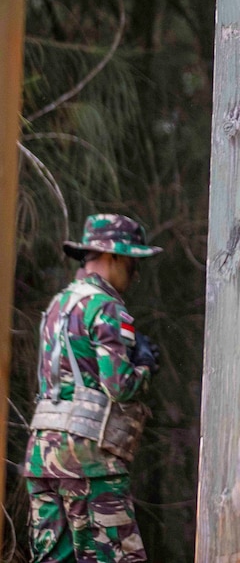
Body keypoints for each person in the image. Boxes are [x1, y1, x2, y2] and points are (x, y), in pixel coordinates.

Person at [23, 213, 162, 563]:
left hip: (41, 458)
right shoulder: (107, 306)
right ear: (113, 256)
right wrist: (144, 365)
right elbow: (119, 386)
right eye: (132, 261)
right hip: (88, 459)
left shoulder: (57, 305)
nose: (135, 272)